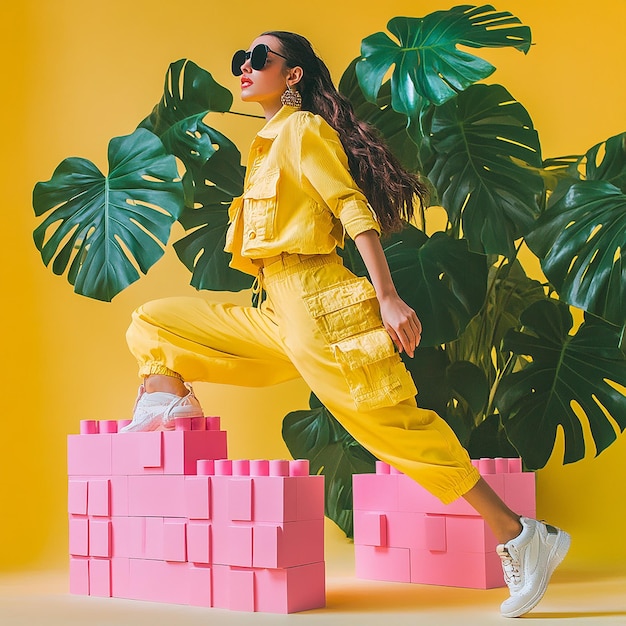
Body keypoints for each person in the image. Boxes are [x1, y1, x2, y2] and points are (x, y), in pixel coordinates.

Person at [121, 31, 570, 618]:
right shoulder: (268, 142)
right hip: (273, 307)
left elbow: (351, 207)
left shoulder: (304, 131)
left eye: (261, 58)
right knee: (154, 324)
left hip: (316, 302)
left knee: (393, 429)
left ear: (294, 75)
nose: (245, 67)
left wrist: (387, 296)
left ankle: (519, 535)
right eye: (241, 60)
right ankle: (170, 406)